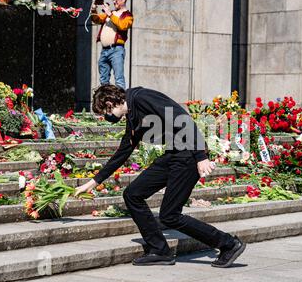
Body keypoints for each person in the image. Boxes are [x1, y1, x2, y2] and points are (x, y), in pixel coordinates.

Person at [75, 85, 246, 267]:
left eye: (104, 113)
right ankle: (159, 250)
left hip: (188, 155)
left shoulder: (142, 97)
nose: (105, 118)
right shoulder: (133, 114)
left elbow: (182, 118)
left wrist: (201, 156)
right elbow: (124, 150)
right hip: (174, 154)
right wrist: (94, 182)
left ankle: (228, 244)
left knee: (170, 215)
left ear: (109, 104)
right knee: (132, 194)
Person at [91, 0, 133, 89]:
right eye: (113, 0)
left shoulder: (127, 15)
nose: (114, 2)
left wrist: (110, 14)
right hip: (104, 50)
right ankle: (105, 102)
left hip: (116, 50)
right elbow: (96, 19)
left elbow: (123, 26)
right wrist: (93, 10)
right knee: (103, 80)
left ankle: (121, 103)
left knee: (119, 80)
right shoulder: (111, 13)